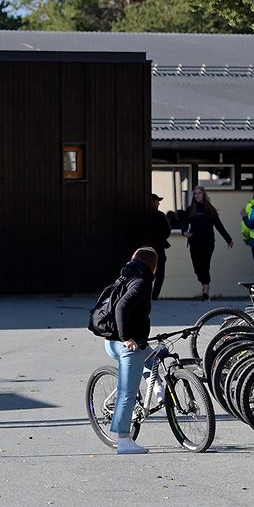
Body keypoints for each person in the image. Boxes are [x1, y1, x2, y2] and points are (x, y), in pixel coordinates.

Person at [104, 246, 158, 455]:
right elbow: (121, 308)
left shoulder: (126, 276)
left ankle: (159, 388)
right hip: (125, 344)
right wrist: (127, 338)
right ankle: (124, 440)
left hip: (116, 341)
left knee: (153, 357)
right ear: (154, 266)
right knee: (128, 392)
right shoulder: (142, 283)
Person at [186, 187, 235, 299]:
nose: (197, 195)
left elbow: (219, 226)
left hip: (207, 243)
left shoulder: (209, 209)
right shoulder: (190, 209)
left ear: (204, 195)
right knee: (197, 267)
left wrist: (228, 239)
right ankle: (204, 283)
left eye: (199, 193)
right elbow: (184, 224)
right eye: (195, 194)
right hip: (194, 242)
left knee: (204, 265)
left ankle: (206, 289)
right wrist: (184, 232)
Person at [142, 194, 172, 299]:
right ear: (152, 202)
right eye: (157, 201)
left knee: (146, 274)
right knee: (160, 274)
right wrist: (161, 239)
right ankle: (154, 296)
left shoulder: (143, 215)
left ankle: (145, 295)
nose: (159, 203)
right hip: (158, 249)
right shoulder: (160, 215)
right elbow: (168, 231)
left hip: (144, 250)